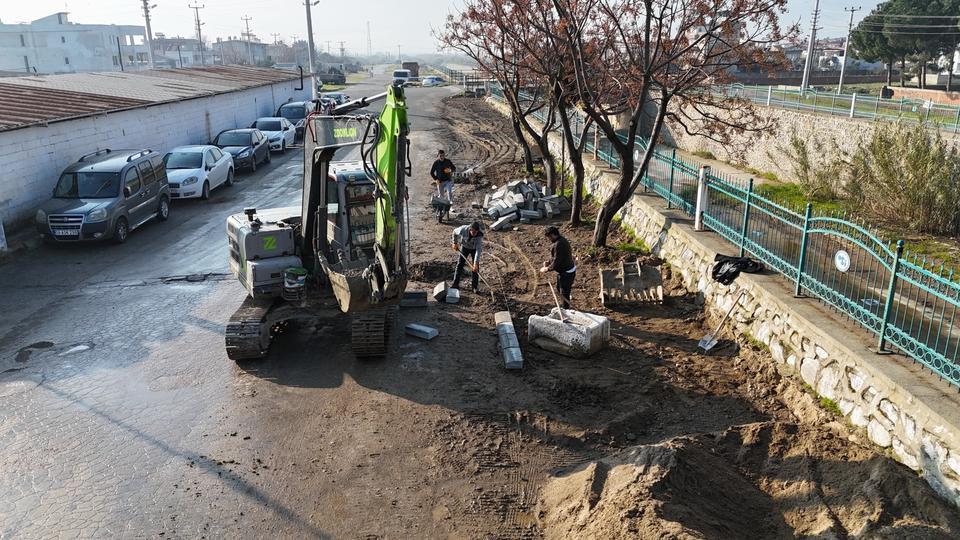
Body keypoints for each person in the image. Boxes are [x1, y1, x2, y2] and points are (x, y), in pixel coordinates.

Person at [539, 226, 576, 309]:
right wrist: (548, 262)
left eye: (549, 237)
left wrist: (547, 268)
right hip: (564, 271)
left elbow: (557, 261)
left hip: (567, 272)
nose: (549, 239)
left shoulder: (559, 244)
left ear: (552, 235)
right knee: (559, 289)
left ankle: (566, 309)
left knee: (564, 292)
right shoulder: (560, 241)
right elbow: (556, 257)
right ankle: (564, 305)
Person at [451, 221, 484, 293]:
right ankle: (455, 283)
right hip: (464, 247)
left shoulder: (479, 235)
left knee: (475, 268)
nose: (474, 234)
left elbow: (478, 250)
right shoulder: (463, 229)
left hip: (474, 249)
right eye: (473, 232)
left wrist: (475, 263)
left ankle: (474, 287)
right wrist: (454, 243)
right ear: (470, 229)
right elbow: (454, 232)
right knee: (460, 265)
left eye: (476, 232)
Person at [430, 150, 456, 223]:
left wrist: (450, 170)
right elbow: (431, 172)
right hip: (440, 182)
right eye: (440, 156)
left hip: (447, 181)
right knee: (441, 196)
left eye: (443, 156)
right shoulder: (436, 163)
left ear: (444, 155)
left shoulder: (448, 161)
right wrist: (436, 179)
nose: (442, 157)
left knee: (449, 192)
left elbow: (454, 168)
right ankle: (441, 210)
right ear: (438, 156)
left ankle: (450, 206)